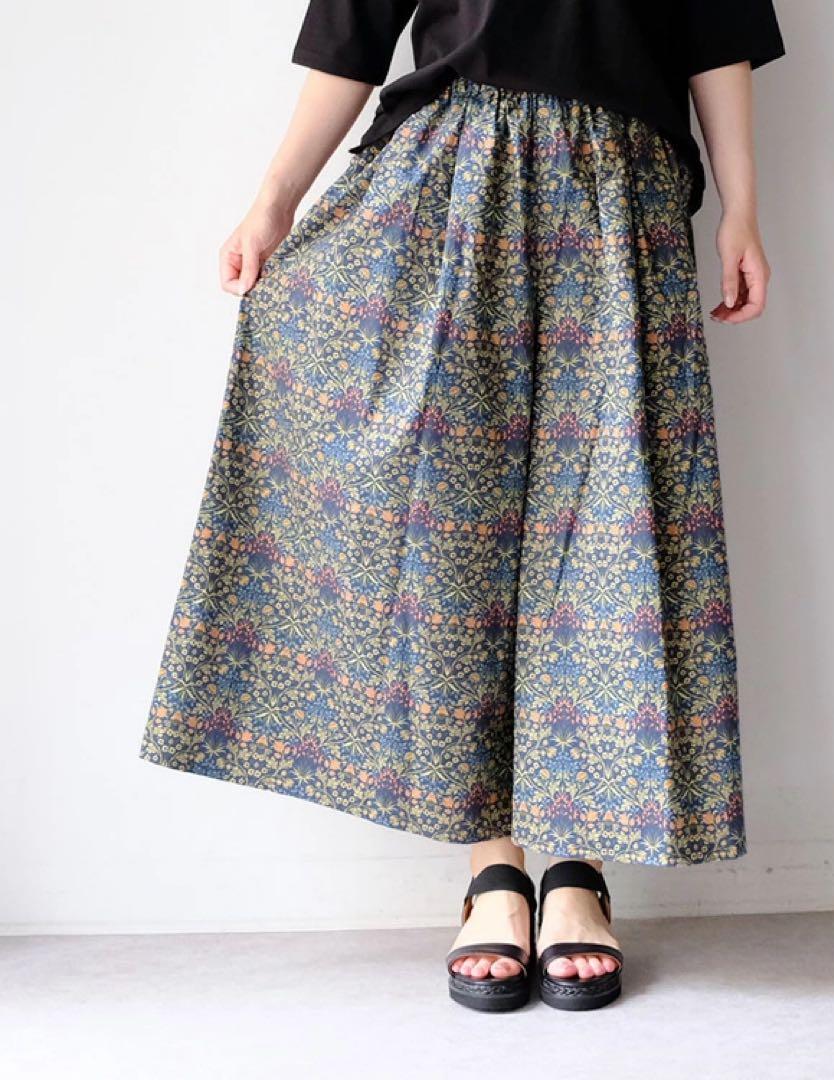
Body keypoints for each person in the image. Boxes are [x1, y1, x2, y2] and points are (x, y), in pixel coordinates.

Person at [139, 0, 785, 1012]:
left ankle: (575, 870)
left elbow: (716, 29)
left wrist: (743, 206)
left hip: (622, 192)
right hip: (448, 177)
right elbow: (351, 32)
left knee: (605, 534)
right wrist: (272, 202)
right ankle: (495, 870)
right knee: (453, 541)